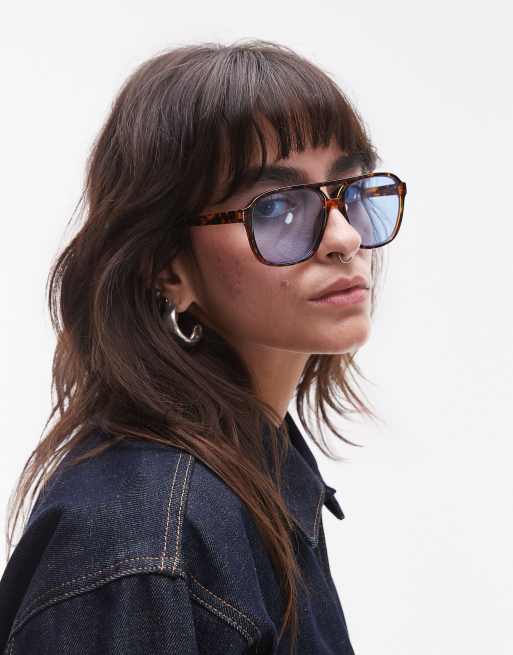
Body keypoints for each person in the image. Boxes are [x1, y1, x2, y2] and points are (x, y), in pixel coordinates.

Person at [0, 39, 407, 654]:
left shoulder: (253, 465)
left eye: (352, 189)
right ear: (168, 268)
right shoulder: (146, 544)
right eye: (277, 208)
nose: (345, 238)